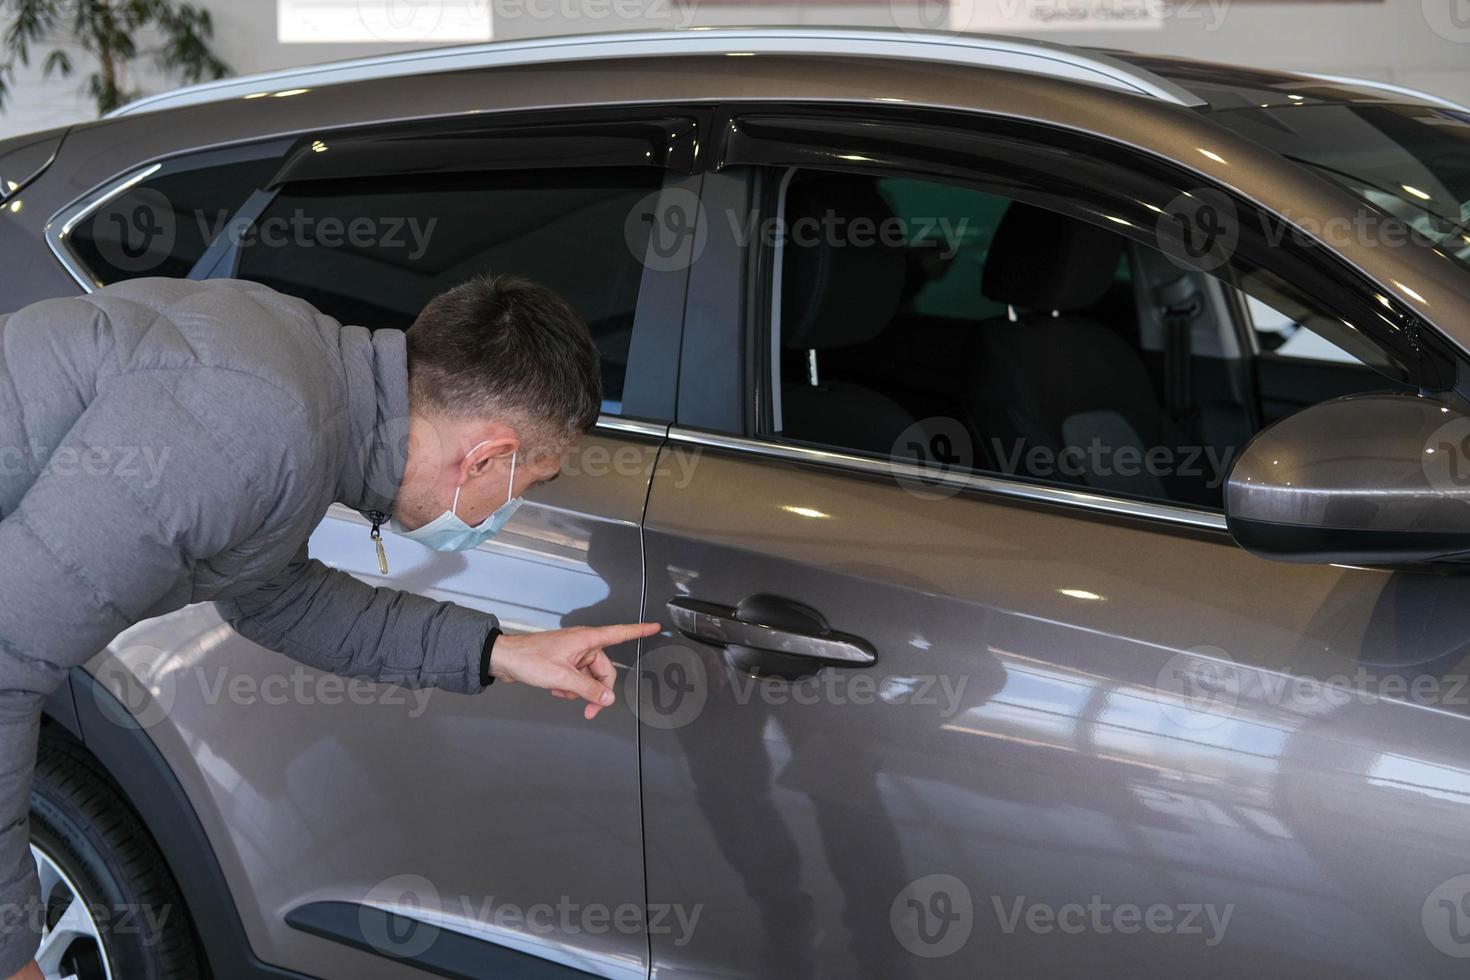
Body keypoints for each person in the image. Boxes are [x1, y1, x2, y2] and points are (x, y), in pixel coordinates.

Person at [0, 273, 659, 979]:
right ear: (486, 458)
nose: (505, 511)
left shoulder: (303, 380)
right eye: (522, 487)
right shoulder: (254, 420)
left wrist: (503, 651)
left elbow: (277, 597)